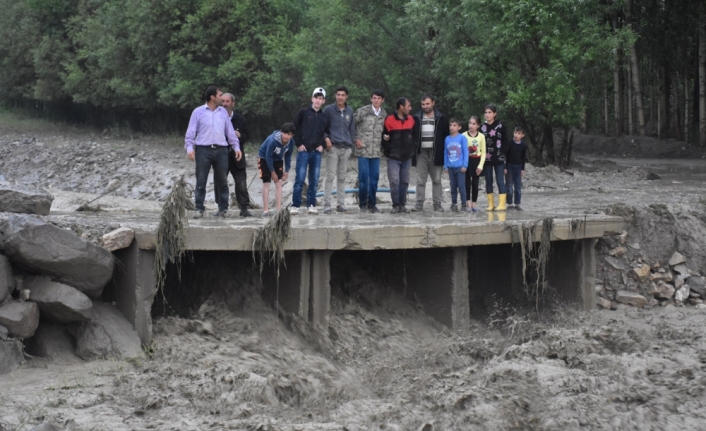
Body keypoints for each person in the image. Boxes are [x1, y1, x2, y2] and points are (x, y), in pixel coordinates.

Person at [184, 86, 241, 218]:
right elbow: (191, 132)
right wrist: (189, 148)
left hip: (221, 150)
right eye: (220, 95)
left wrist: (236, 147)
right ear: (212, 97)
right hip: (203, 149)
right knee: (201, 180)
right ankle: (199, 208)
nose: (222, 98)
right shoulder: (198, 112)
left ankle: (223, 208)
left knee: (222, 180)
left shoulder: (223, 113)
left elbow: (230, 132)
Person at [292, 87, 329, 215]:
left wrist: (323, 146)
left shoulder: (324, 117)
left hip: (316, 153)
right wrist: (298, 144)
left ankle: (311, 205)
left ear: (323, 101)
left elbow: (327, 133)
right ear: (312, 98)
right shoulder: (303, 112)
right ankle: (295, 205)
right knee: (300, 179)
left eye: (320, 98)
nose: (318, 101)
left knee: (314, 180)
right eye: (316, 98)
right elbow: (293, 129)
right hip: (303, 151)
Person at [412, 93, 449, 212]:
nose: (425, 106)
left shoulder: (441, 118)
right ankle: (419, 203)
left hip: (435, 152)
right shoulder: (416, 118)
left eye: (427, 104)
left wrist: (444, 153)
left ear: (433, 103)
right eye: (423, 104)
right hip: (421, 152)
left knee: (437, 180)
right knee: (420, 179)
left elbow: (446, 137)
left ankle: (437, 203)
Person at [382, 97, 420, 214]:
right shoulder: (388, 120)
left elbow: (415, 136)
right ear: (401, 107)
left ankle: (402, 205)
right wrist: (388, 150)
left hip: (407, 157)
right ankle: (395, 205)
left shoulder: (412, 120)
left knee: (404, 181)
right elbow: (384, 138)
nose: (410, 108)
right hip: (393, 157)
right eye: (408, 106)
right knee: (394, 181)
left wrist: (412, 149)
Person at [218, 93, 253, 217]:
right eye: (222, 101)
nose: (225, 104)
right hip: (221, 155)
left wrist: (240, 136)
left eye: (227, 101)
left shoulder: (241, 119)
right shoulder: (216, 118)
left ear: (233, 103)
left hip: (237, 156)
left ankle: (244, 208)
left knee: (241, 183)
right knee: (220, 182)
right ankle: (221, 208)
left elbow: (247, 136)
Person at [323, 86, 356, 214]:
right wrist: (326, 139)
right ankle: (326, 204)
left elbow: (352, 129)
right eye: (338, 94)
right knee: (330, 176)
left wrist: (351, 146)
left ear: (346, 96)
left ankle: (340, 204)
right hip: (333, 147)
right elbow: (323, 127)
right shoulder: (329, 110)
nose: (340, 97)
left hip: (346, 147)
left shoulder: (349, 111)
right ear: (335, 96)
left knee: (342, 177)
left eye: (343, 95)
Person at [354, 89, 387, 213]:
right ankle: (362, 204)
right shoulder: (362, 111)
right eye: (374, 98)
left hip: (376, 152)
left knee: (374, 179)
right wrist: (355, 139)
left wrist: (386, 137)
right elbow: (350, 125)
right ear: (370, 99)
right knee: (363, 180)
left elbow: (385, 130)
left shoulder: (384, 114)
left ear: (382, 100)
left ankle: (372, 204)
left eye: (379, 98)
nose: (376, 100)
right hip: (363, 151)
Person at [258, 123, 296, 216]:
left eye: (289, 134)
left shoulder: (291, 142)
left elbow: (288, 156)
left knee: (279, 182)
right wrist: (272, 172)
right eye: (285, 133)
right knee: (266, 182)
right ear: (281, 132)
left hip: (278, 159)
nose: (286, 136)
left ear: (292, 135)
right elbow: (268, 156)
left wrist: (287, 170)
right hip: (264, 157)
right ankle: (265, 210)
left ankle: (278, 209)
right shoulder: (273, 141)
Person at [480, 104, 509, 211]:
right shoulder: (482, 127)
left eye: (490, 112)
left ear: (495, 114)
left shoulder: (501, 126)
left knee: (500, 180)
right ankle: (491, 204)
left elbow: (506, 141)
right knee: (488, 180)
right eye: (486, 112)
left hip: (499, 158)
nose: (487, 115)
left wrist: (503, 153)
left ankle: (502, 204)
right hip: (486, 158)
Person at [444, 118, 469, 212]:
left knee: (461, 187)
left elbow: (465, 152)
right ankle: (453, 204)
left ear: (459, 127)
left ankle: (463, 204)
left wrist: (465, 165)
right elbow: (445, 153)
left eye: (454, 125)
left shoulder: (462, 138)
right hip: (450, 166)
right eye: (451, 125)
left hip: (460, 167)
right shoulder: (447, 139)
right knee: (453, 186)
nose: (452, 127)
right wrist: (446, 166)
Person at [462, 115, 486, 212]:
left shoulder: (481, 136)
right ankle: (468, 203)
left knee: (475, 184)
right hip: (466, 161)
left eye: (474, 124)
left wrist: (480, 166)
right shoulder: (463, 135)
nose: (471, 125)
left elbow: (484, 152)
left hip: (477, 160)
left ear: (478, 125)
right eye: (470, 123)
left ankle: (474, 204)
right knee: (467, 183)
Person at [504, 126, 527, 210]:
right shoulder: (509, 143)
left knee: (518, 187)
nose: (516, 135)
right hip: (509, 166)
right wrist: (505, 167)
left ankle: (517, 204)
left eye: (518, 133)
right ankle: (509, 204)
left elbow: (523, 157)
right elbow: (505, 156)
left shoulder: (523, 145)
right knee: (509, 186)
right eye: (515, 133)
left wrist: (522, 169)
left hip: (518, 167)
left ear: (522, 135)